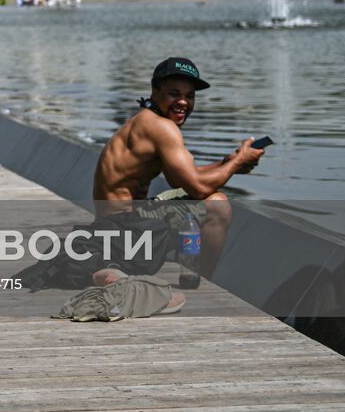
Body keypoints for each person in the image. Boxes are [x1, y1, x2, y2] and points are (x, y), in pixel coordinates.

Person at [92, 57, 263, 278]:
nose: (183, 102)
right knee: (217, 205)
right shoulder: (162, 127)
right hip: (123, 230)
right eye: (175, 94)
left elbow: (184, 178)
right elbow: (198, 189)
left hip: (115, 224)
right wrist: (238, 161)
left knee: (200, 198)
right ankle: (203, 282)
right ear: (155, 92)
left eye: (189, 96)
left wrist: (228, 162)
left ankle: (185, 272)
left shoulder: (146, 120)